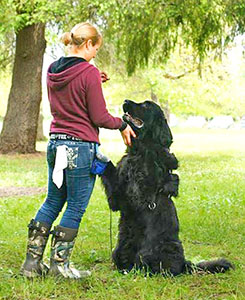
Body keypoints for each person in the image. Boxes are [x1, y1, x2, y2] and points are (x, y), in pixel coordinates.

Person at [20, 22, 135, 279]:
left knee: (52, 201)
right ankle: (60, 267)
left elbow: (72, 96)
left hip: (56, 143)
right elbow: (99, 116)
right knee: (75, 207)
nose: (96, 54)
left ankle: (31, 265)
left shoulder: (53, 69)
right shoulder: (88, 72)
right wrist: (122, 124)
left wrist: (96, 80)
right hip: (79, 148)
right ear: (88, 44)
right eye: (96, 48)